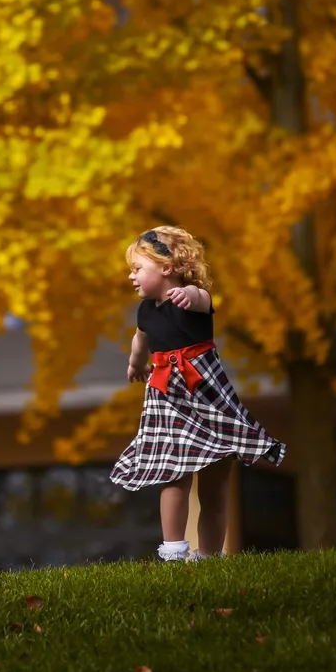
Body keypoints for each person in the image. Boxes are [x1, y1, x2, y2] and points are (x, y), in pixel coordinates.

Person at [110, 226, 287, 562]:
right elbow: (140, 340)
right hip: (168, 397)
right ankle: (174, 551)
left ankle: (209, 555)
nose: (131, 277)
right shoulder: (146, 310)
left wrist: (188, 296)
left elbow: (202, 301)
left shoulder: (196, 297)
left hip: (204, 395)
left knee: (215, 484)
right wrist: (135, 365)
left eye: (137, 269)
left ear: (166, 268)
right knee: (172, 473)